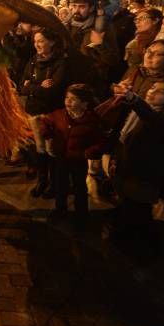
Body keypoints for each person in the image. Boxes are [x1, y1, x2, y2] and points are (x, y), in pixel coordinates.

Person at [109, 80, 164, 258]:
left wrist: (133, 99)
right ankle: (125, 243)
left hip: (143, 177)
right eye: (152, 87)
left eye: (161, 91)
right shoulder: (136, 113)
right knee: (128, 209)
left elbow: (151, 118)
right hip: (126, 172)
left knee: (140, 215)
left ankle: (143, 252)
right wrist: (115, 160)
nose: (153, 91)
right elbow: (123, 139)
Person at [39, 84, 105, 230]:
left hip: (78, 160)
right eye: (67, 98)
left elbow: (100, 142)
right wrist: (47, 135)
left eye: (73, 99)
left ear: (84, 103)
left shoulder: (92, 120)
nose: (68, 101)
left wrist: (87, 153)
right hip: (61, 158)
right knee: (60, 185)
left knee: (79, 188)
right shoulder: (58, 114)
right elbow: (45, 123)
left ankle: (81, 215)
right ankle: (60, 210)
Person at [20, 29, 68, 197]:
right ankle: (42, 181)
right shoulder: (33, 61)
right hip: (33, 112)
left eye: (40, 41)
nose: (37, 45)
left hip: (50, 113)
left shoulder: (60, 63)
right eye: (35, 42)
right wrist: (39, 86)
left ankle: (54, 185)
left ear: (52, 42)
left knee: (51, 150)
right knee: (38, 149)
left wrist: (31, 86)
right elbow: (22, 87)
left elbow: (53, 90)